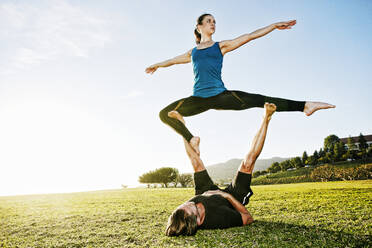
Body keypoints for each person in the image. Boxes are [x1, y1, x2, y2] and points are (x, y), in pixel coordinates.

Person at [145, 14, 335, 155]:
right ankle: (191, 139)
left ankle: (305, 106)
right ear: (199, 26)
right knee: (164, 114)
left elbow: (249, 36)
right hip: (198, 100)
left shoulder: (221, 46)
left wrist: (274, 26)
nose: (213, 24)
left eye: (215, 22)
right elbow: (172, 60)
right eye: (209, 21)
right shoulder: (192, 52)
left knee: (260, 99)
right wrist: (157, 65)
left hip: (221, 96)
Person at [165, 102, 277, 236]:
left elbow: (184, 214)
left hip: (207, 192)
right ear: (198, 220)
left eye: (182, 206)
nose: (187, 203)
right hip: (230, 200)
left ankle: (181, 126)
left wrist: (207, 194)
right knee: (247, 163)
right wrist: (226, 195)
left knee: (196, 163)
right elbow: (248, 218)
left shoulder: (185, 211)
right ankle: (267, 118)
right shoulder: (218, 219)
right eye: (188, 207)